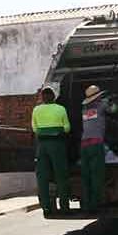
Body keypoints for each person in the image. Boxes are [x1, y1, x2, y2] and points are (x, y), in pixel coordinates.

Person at [31, 85, 71, 216]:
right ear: (54, 97)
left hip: (42, 146)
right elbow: (67, 128)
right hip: (57, 144)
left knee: (42, 177)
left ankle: (46, 207)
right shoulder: (60, 109)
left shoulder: (36, 110)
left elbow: (35, 129)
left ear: (42, 98)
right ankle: (64, 207)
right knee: (61, 176)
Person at [80, 85, 118, 212]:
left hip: (84, 145)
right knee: (97, 175)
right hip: (96, 145)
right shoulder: (101, 106)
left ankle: (86, 204)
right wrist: (110, 101)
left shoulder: (84, 109)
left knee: (86, 175)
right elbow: (114, 110)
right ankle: (97, 204)